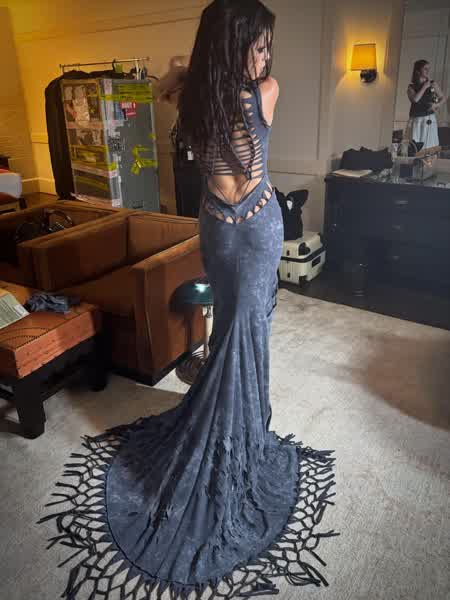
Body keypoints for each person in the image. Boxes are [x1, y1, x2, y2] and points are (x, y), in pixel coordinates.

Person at [39, 2, 338, 599]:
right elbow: (239, 97)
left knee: (237, 329)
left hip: (218, 224)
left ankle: (238, 422)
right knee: (243, 332)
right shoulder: (265, 92)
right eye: (257, 45)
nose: (266, 58)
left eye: (268, 47)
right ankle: (238, 436)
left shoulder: (191, 94)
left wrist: (198, 64)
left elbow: (171, 76)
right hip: (254, 223)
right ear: (235, 43)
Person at [406, 59, 446, 150]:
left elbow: (443, 98)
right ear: (418, 71)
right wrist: (424, 86)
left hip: (428, 118)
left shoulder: (433, 84)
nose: (428, 71)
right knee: (414, 145)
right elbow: (415, 99)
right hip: (416, 118)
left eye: (429, 69)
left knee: (429, 144)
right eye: (425, 69)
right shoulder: (411, 86)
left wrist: (436, 105)